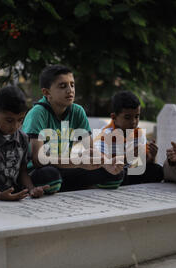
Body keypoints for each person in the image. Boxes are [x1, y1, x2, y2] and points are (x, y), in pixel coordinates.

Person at [22, 64, 124, 192]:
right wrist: (78, 162)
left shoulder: (77, 111)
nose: (70, 90)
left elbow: (91, 150)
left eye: (72, 85)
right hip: (38, 171)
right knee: (51, 177)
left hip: (67, 168)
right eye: (63, 86)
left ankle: (68, 187)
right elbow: (38, 159)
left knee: (115, 175)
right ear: (47, 92)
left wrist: (106, 162)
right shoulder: (38, 113)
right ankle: (71, 186)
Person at [0, 86, 49, 199]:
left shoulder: (22, 138)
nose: (15, 126)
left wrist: (32, 189)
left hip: (15, 198)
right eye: (9, 120)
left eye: (20, 120)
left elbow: (23, 171)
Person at [94, 90, 163, 185]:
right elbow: (100, 166)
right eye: (127, 117)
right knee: (109, 175)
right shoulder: (104, 136)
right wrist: (127, 158)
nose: (133, 121)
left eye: (137, 116)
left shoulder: (138, 133)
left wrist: (151, 156)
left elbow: (142, 164)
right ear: (114, 117)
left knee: (157, 169)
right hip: (113, 174)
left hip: (130, 174)